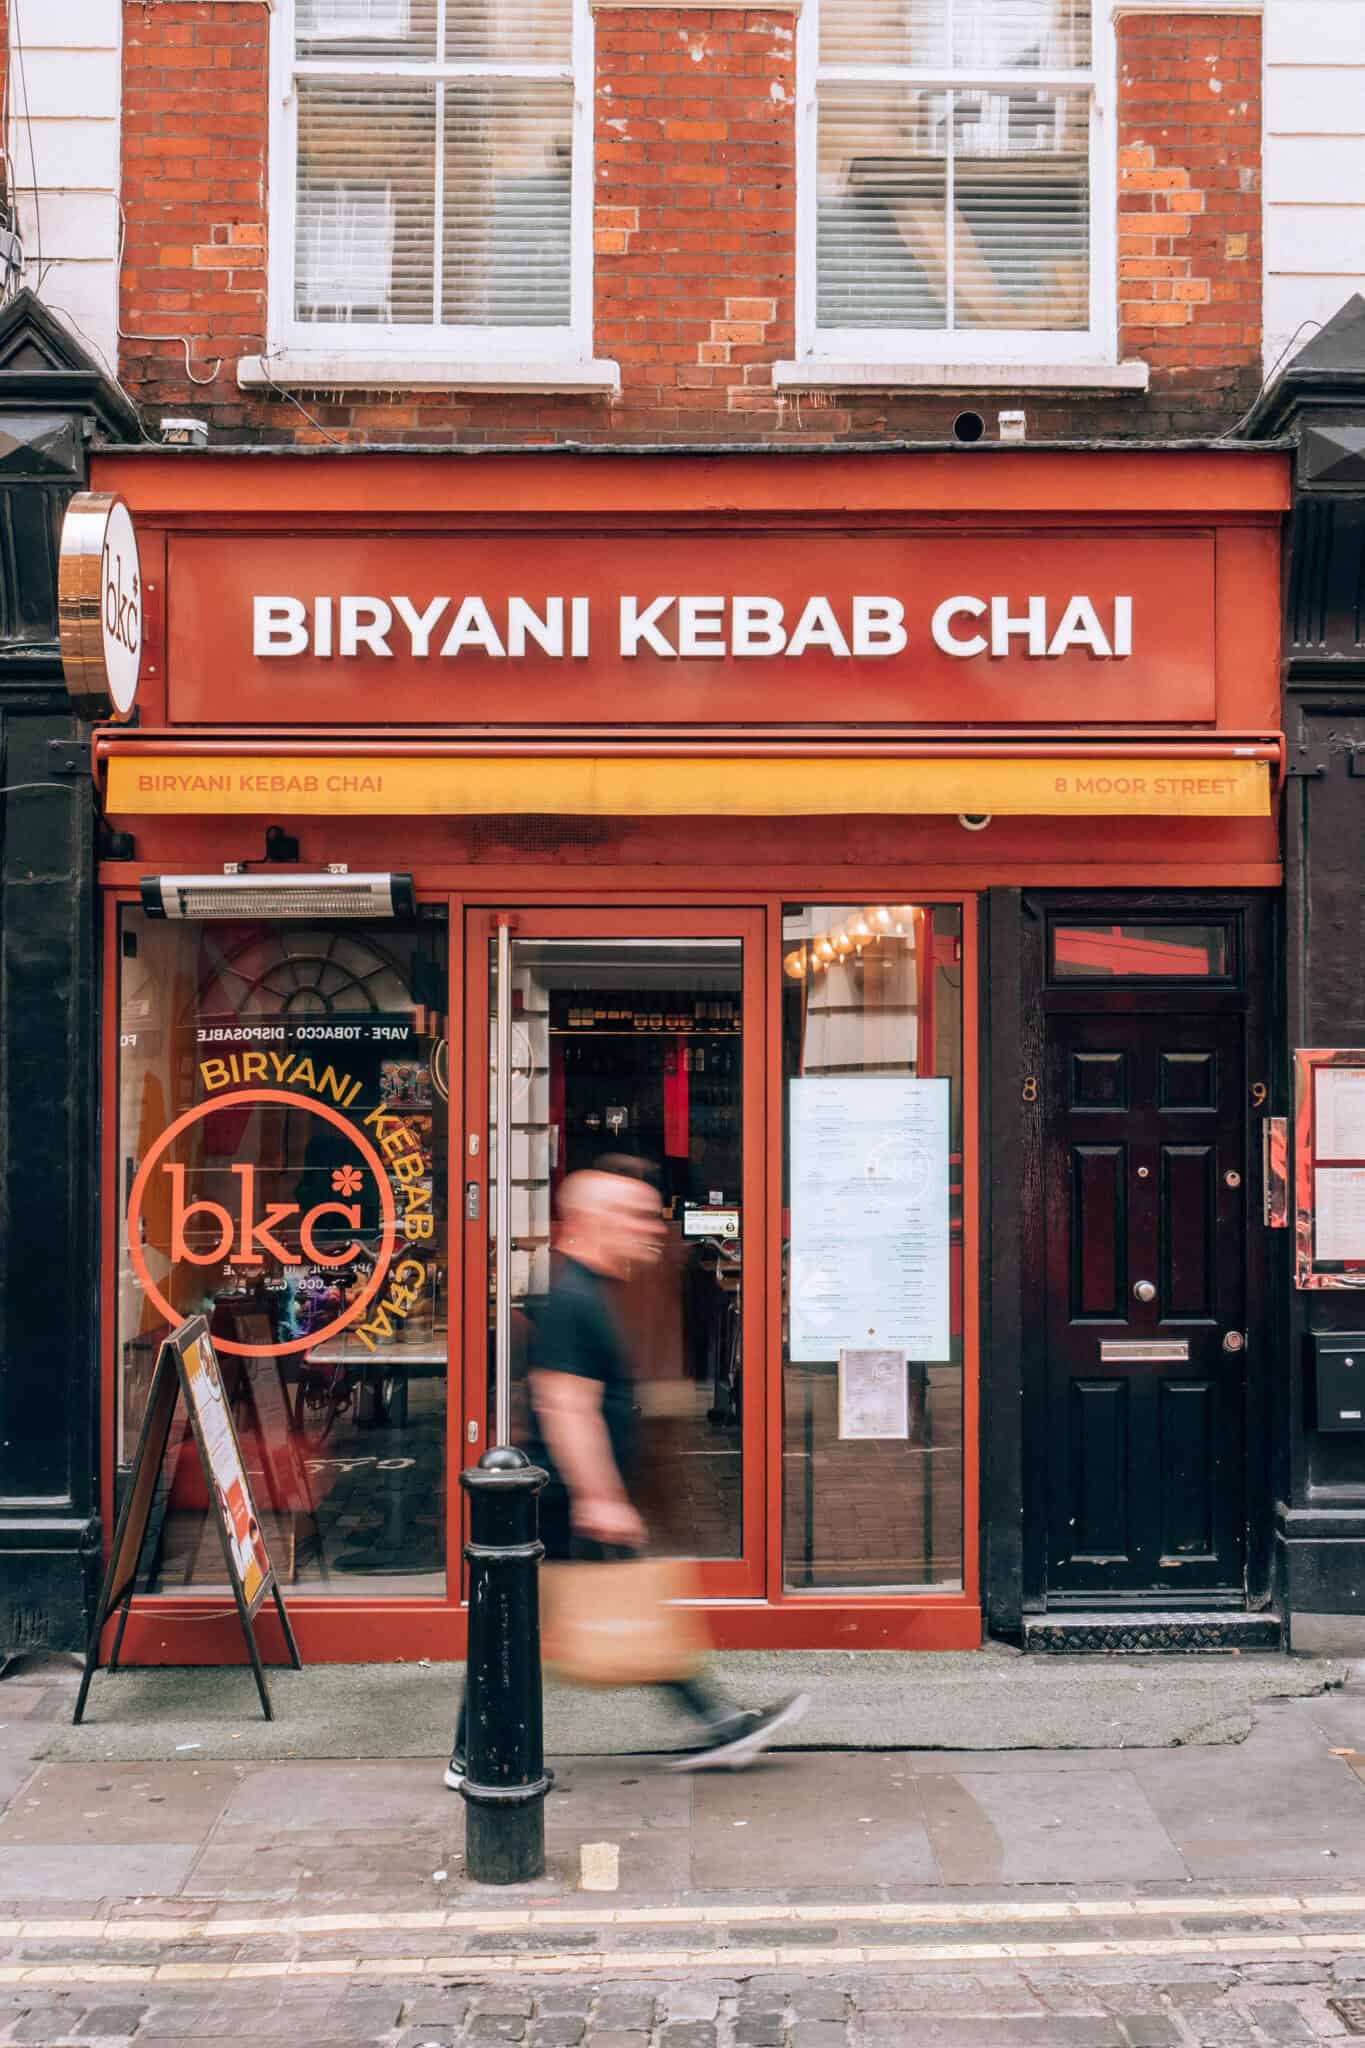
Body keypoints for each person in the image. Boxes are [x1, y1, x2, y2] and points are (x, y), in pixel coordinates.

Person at [447, 1164, 808, 1786]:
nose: (650, 1229)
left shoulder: (588, 1292)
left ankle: (718, 1722)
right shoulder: (574, 1301)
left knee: (543, 1622)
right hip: (564, 1496)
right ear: (590, 1222)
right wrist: (599, 1496)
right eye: (634, 1216)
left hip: (571, 1495)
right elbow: (565, 1403)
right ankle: (716, 1723)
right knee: (530, 1625)